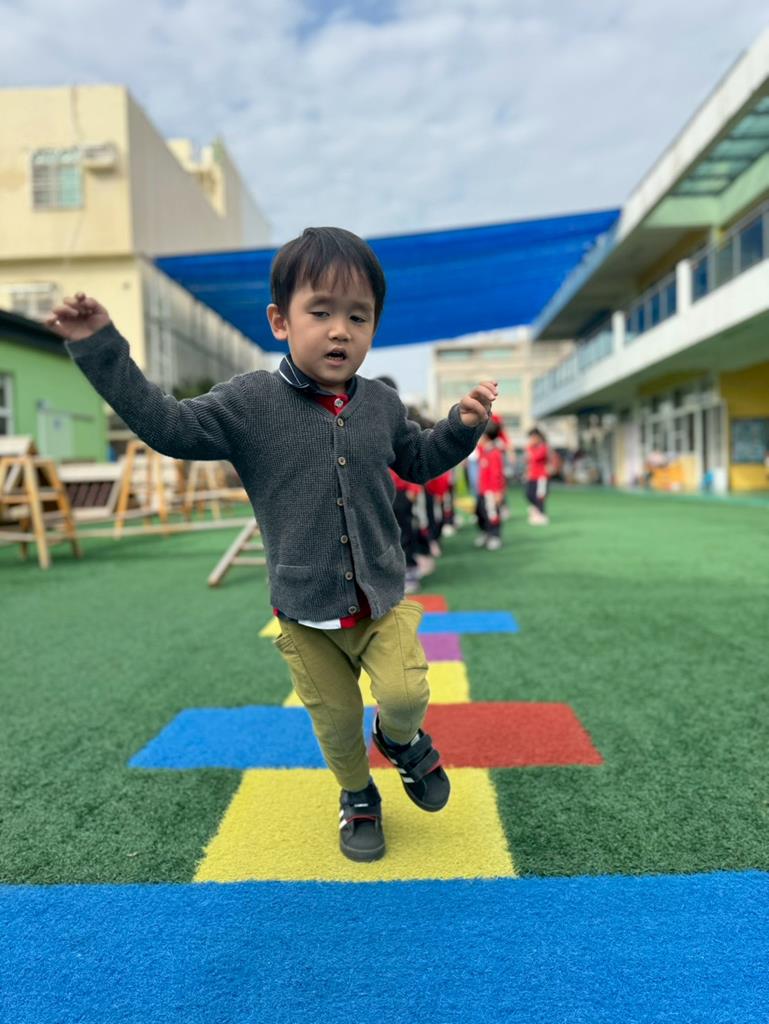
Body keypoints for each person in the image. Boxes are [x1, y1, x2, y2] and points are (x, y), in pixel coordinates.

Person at [47, 226, 497, 864]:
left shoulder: (381, 404)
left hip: (381, 599)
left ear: (374, 326)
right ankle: (358, 796)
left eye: (358, 317)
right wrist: (100, 347)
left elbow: (419, 460)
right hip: (305, 613)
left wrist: (460, 427)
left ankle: (400, 742)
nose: (340, 331)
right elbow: (168, 426)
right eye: (321, 312)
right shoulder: (250, 402)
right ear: (280, 321)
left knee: (406, 696)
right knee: (336, 724)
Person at [474, 419, 506, 550]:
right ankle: (485, 533)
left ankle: (495, 536)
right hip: (481, 490)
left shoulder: (494, 453)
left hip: (491, 492)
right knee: (480, 513)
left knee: (492, 514)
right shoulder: (483, 450)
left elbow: (497, 475)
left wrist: (498, 492)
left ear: (486, 437)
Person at [525, 427, 551, 525]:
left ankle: (541, 514)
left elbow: (535, 457)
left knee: (540, 496)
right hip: (532, 476)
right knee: (529, 494)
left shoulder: (543, 447)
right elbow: (528, 460)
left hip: (541, 476)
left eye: (533, 437)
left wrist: (529, 449)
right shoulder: (531, 447)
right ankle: (536, 509)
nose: (532, 440)